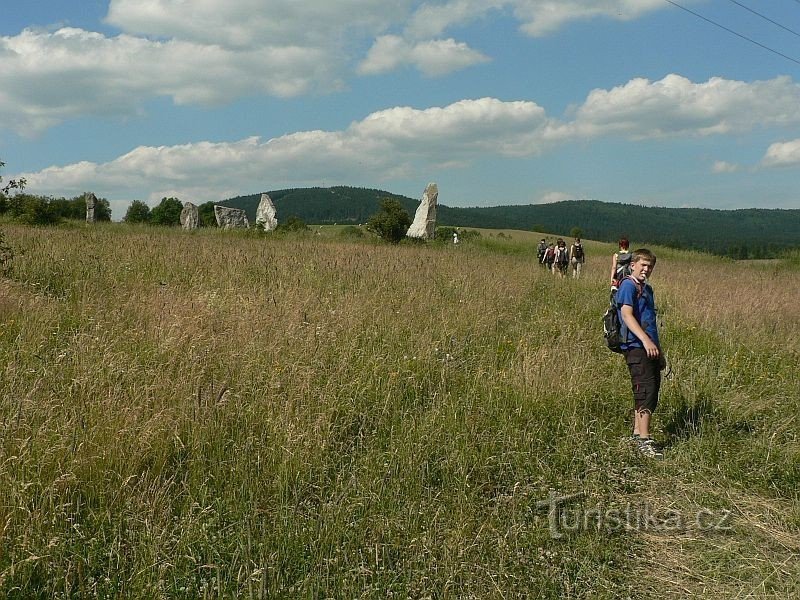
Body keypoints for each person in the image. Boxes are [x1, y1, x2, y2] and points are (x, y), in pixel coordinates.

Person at [616, 248, 665, 458]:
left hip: (648, 347)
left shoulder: (646, 289)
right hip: (636, 347)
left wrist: (658, 351)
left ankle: (637, 435)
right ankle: (645, 440)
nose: (646, 269)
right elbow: (626, 315)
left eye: (650, 266)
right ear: (633, 265)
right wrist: (645, 341)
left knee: (649, 390)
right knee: (645, 390)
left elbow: (650, 323)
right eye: (643, 265)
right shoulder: (627, 285)